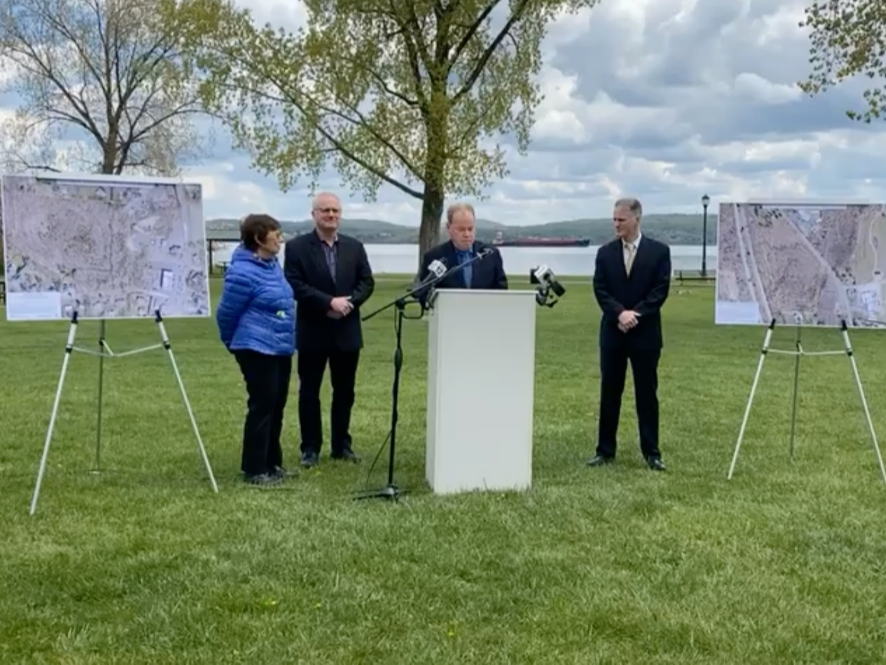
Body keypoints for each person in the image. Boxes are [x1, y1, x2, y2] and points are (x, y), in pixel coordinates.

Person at [283, 192, 375, 468]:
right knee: (309, 392)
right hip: (313, 330)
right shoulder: (297, 248)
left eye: (335, 210)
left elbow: (366, 282)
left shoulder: (355, 247)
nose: (331, 215)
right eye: (325, 210)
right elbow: (295, 284)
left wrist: (349, 303)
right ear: (314, 215)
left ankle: (341, 446)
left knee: (345, 392)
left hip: (347, 332)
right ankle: (310, 448)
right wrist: (327, 303)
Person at [587, 197, 671, 471]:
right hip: (613, 333)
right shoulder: (605, 253)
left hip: (645, 335)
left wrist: (636, 315)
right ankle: (605, 450)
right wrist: (619, 314)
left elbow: (660, 291)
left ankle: (652, 452)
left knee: (647, 394)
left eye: (621, 220)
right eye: (614, 219)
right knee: (610, 391)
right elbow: (600, 289)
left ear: (636, 219)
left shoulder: (659, 252)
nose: (616, 225)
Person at [215, 214, 296, 486]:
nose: (281, 240)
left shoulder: (272, 265)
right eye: (276, 236)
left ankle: (272, 463)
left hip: (280, 346)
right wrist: (233, 344)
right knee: (262, 405)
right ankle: (254, 468)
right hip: (255, 347)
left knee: (277, 405)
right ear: (259, 239)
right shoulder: (241, 272)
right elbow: (226, 314)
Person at [417, 202, 507, 292]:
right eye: (461, 229)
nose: (467, 234)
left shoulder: (491, 254)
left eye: (470, 229)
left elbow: (502, 292)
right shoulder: (434, 257)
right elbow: (424, 294)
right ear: (448, 227)